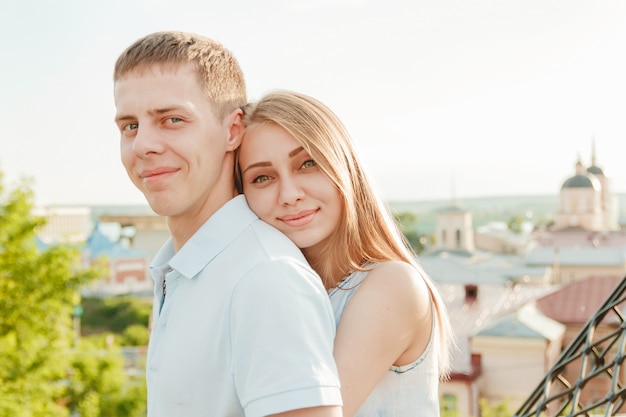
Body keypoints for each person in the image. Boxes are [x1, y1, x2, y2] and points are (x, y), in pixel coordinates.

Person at [113, 32, 342, 417]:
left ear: (232, 130)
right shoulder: (179, 269)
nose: (142, 145)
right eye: (129, 126)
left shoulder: (265, 278)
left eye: (172, 119)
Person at [237, 90, 455, 417]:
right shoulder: (283, 289)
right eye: (262, 177)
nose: (290, 194)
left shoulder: (392, 285)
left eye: (307, 163)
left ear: (344, 166)